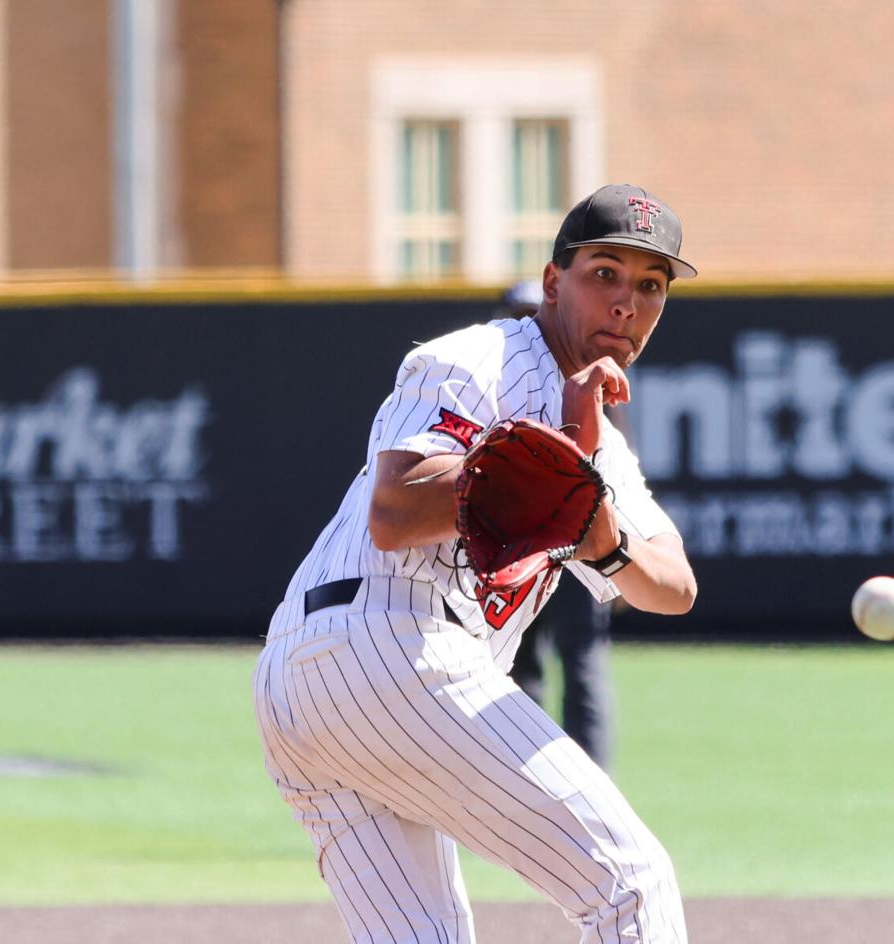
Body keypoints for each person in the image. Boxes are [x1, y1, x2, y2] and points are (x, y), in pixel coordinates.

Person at [253, 184, 699, 944]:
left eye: (650, 286)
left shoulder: (601, 449)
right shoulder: (480, 358)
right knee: (630, 885)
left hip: (316, 685)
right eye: (605, 273)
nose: (627, 302)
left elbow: (674, 587)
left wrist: (603, 534)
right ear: (554, 283)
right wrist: (538, 473)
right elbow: (393, 512)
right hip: (388, 642)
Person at [497, 279, 619, 771]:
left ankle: (592, 783)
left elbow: (614, 473)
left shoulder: (589, 384)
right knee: (515, 662)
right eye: (523, 312)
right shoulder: (499, 381)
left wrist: (618, 561)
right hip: (523, 546)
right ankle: (522, 777)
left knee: (582, 659)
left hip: (580, 544)